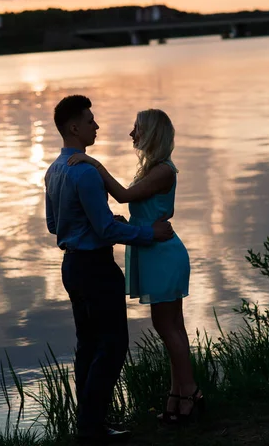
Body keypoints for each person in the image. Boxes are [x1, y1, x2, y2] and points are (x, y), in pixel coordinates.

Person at [45, 96, 174, 444]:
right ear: (74, 127)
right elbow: (105, 231)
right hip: (96, 268)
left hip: (71, 266)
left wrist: (97, 225)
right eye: (90, 120)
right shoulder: (85, 172)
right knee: (113, 345)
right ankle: (92, 427)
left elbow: (54, 224)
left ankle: (88, 425)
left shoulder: (54, 170)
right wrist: (150, 233)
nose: (96, 125)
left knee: (87, 345)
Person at [68, 108, 204, 425]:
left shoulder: (164, 171)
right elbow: (141, 209)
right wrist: (126, 225)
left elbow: (123, 195)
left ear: (153, 133)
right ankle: (177, 397)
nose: (132, 134)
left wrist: (94, 163)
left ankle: (190, 394)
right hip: (153, 250)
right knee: (171, 328)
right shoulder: (153, 170)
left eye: (137, 128)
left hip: (163, 255)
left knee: (167, 327)